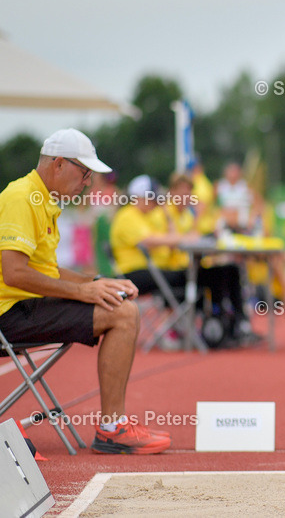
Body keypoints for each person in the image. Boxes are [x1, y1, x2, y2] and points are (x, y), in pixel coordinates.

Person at [0, 129, 170, 454]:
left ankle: (112, 427)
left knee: (119, 303)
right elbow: (15, 273)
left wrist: (95, 283)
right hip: (10, 313)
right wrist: (84, 293)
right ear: (59, 165)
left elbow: (47, 271)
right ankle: (112, 429)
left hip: (23, 306)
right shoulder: (22, 197)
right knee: (123, 313)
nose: (89, 182)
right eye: (85, 172)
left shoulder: (41, 198)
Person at [110, 175, 251, 346]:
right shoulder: (129, 215)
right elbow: (152, 240)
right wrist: (183, 237)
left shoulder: (145, 215)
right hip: (137, 272)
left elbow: (168, 238)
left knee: (222, 271)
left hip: (156, 269)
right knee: (209, 276)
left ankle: (226, 323)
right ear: (138, 197)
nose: (155, 203)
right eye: (152, 198)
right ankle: (215, 326)